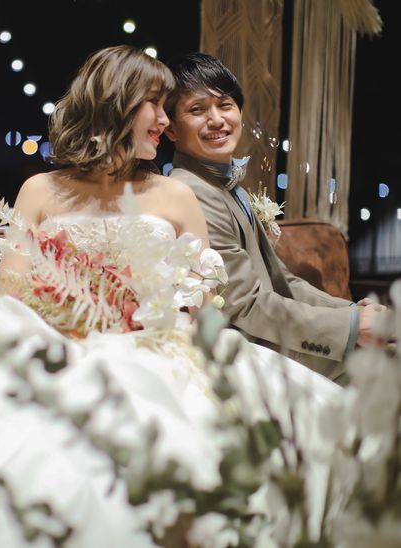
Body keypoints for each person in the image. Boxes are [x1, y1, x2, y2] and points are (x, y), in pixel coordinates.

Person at [0, 45, 343, 548]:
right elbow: (9, 294)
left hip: (158, 350)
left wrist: (161, 320)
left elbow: (206, 304)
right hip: (60, 343)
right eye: (156, 105)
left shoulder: (177, 196)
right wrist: (74, 321)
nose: (165, 121)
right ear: (117, 106)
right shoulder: (40, 191)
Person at [164, 51, 387, 384]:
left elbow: (284, 281)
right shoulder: (193, 192)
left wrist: (353, 313)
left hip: (272, 333)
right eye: (197, 110)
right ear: (171, 129)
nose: (216, 119)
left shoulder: (221, 184)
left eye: (225, 105)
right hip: (250, 349)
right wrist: (353, 328)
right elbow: (245, 305)